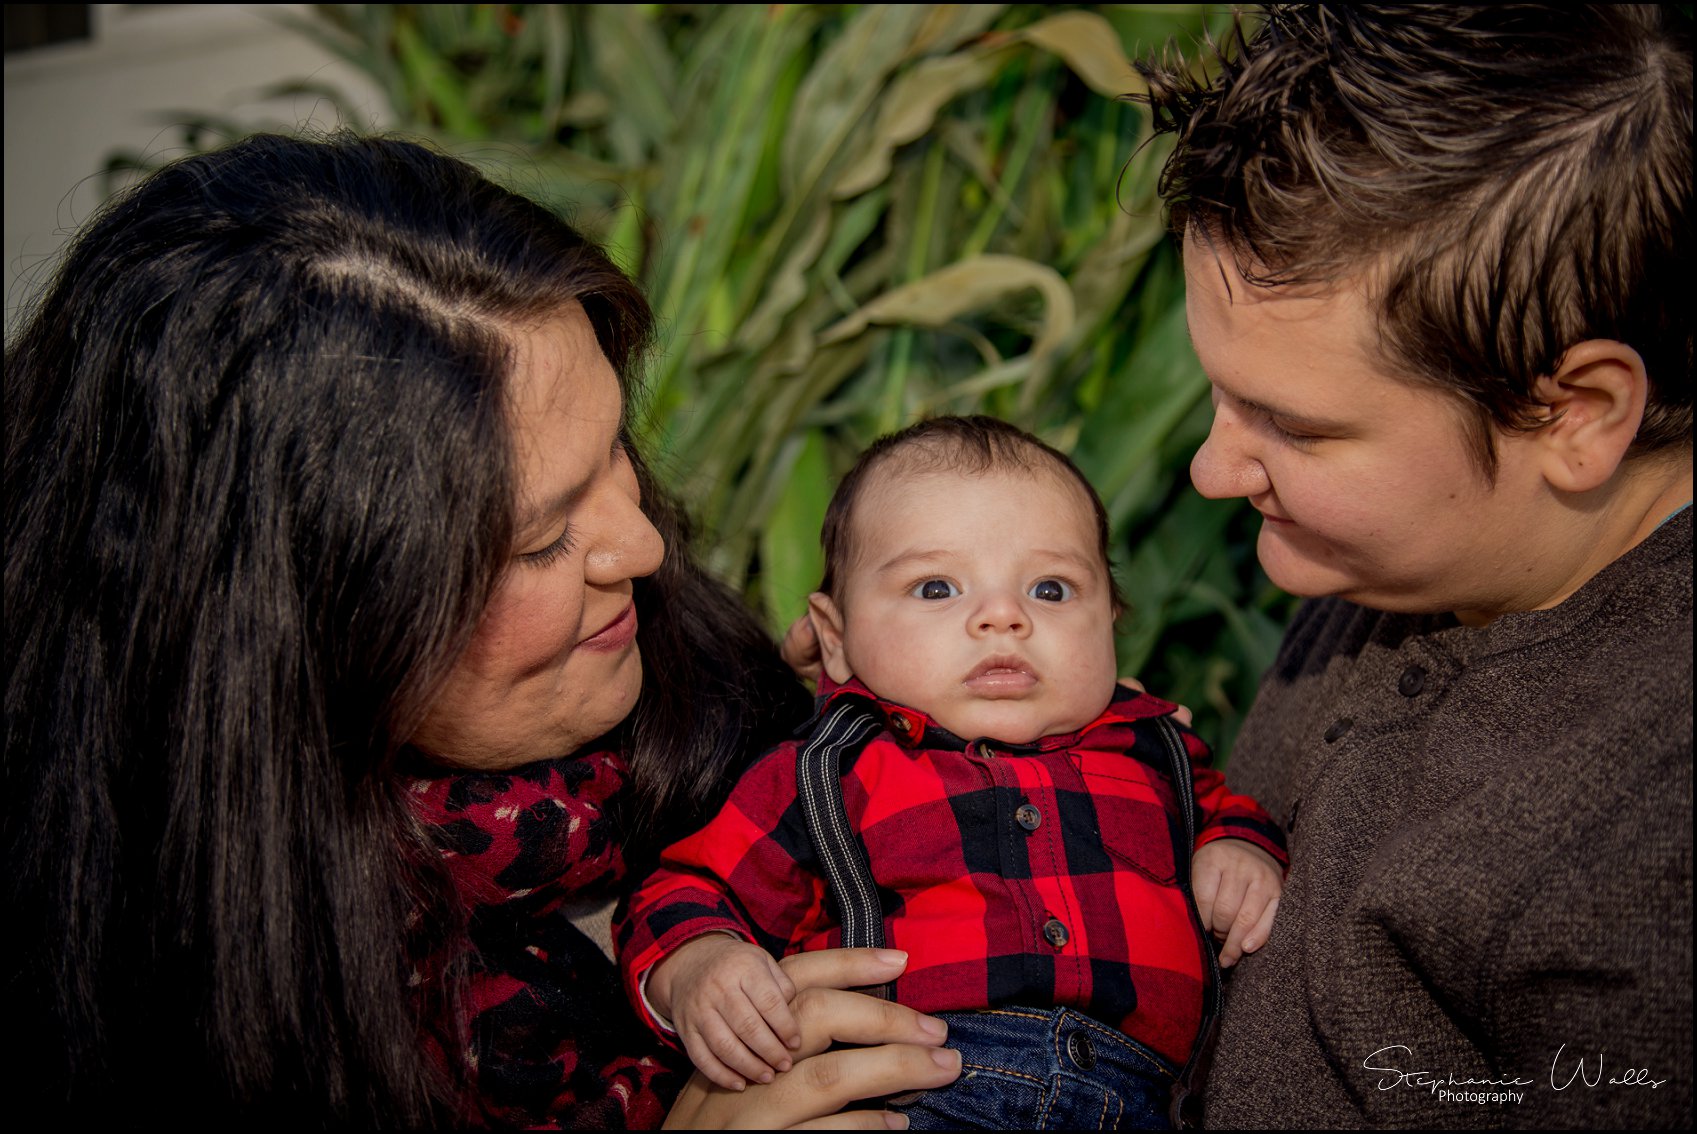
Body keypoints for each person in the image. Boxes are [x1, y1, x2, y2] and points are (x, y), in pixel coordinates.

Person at [3, 131, 962, 1128]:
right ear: (306, 631)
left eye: (614, 451)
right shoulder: (144, 1000)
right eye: (543, 539)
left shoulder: (752, 734)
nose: (638, 545)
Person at [1128, 4, 1692, 1127]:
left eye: (1292, 427)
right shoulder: (1422, 552)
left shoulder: (1648, 848)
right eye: (1218, 394)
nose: (1208, 469)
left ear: (1571, 415)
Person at [618, 416, 1289, 1130]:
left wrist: (1238, 848)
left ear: (1112, 623)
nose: (1002, 616)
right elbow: (691, 886)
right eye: (936, 588)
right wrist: (699, 966)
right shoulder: (830, 772)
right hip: (918, 1087)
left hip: (1151, 1100)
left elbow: (1227, 809)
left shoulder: (1155, 752)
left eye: (1052, 590)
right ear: (836, 638)